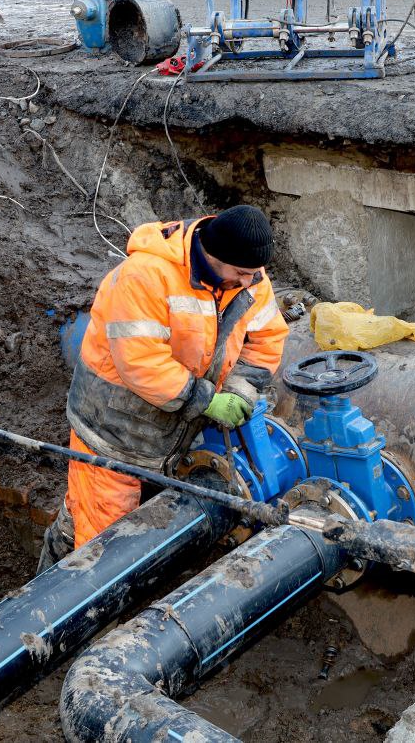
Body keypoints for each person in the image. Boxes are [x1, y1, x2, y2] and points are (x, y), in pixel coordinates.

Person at [40, 205, 289, 569]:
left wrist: (239, 391)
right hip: (114, 432)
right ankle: (51, 609)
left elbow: (268, 339)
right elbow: (140, 362)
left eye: (255, 274)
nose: (250, 283)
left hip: (174, 432)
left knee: (145, 527)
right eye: (242, 273)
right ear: (213, 256)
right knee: (97, 545)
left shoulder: (247, 276)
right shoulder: (147, 275)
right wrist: (206, 401)